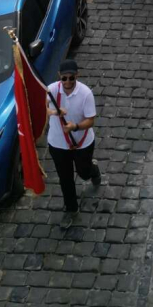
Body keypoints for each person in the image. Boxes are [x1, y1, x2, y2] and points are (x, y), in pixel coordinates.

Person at [46, 58, 101, 224]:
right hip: (58, 144)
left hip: (82, 143)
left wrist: (75, 127)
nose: (68, 81)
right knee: (65, 178)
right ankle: (71, 208)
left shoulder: (85, 94)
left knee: (83, 173)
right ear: (59, 77)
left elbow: (90, 120)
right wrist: (55, 112)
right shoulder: (51, 90)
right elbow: (42, 107)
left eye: (71, 78)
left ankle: (93, 170)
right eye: (64, 78)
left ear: (77, 75)